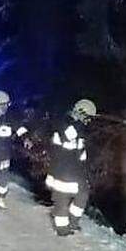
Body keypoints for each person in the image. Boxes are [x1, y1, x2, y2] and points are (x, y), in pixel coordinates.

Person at [47, 99, 96, 236]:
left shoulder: (79, 129)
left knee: (83, 195)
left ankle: (73, 222)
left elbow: (81, 155)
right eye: (88, 117)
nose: (88, 121)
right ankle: (61, 228)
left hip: (75, 172)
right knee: (62, 200)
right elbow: (70, 135)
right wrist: (79, 121)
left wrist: (85, 173)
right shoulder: (66, 124)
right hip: (61, 171)